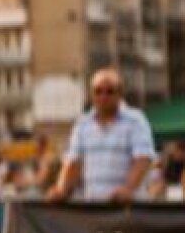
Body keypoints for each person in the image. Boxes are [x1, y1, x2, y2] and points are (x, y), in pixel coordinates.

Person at [47, 68, 155, 203]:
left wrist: (128, 189)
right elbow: (72, 162)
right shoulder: (82, 124)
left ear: (120, 94)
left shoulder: (136, 120)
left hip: (128, 209)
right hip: (95, 210)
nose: (103, 96)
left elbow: (143, 160)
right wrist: (61, 189)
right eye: (98, 91)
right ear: (91, 95)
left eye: (110, 91)